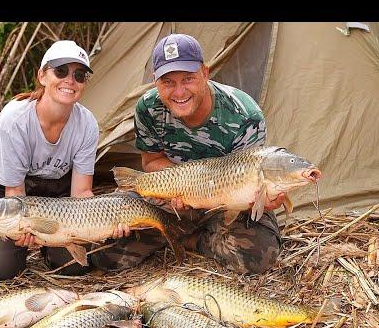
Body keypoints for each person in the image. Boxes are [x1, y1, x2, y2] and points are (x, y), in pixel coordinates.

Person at [91, 33, 284, 274]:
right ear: (155, 81)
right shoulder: (148, 108)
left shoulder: (245, 114)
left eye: (188, 79)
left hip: (226, 203)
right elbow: (150, 161)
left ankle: (188, 239)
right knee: (105, 255)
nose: (179, 92)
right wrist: (180, 186)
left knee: (258, 256)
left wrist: (263, 201)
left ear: (205, 72)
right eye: (168, 82)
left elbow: (248, 182)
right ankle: (177, 229)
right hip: (173, 199)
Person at [0, 40, 129, 281]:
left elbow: (82, 193)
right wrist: (23, 229)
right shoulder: (14, 118)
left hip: (60, 197)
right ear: (42, 76)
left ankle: (50, 249)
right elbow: (14, 192)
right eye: (61, 71)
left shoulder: (87, 124)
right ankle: (17, 249)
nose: (70, 80)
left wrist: (109, 222)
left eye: (79, 75)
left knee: (74, 268)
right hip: (11, 195)